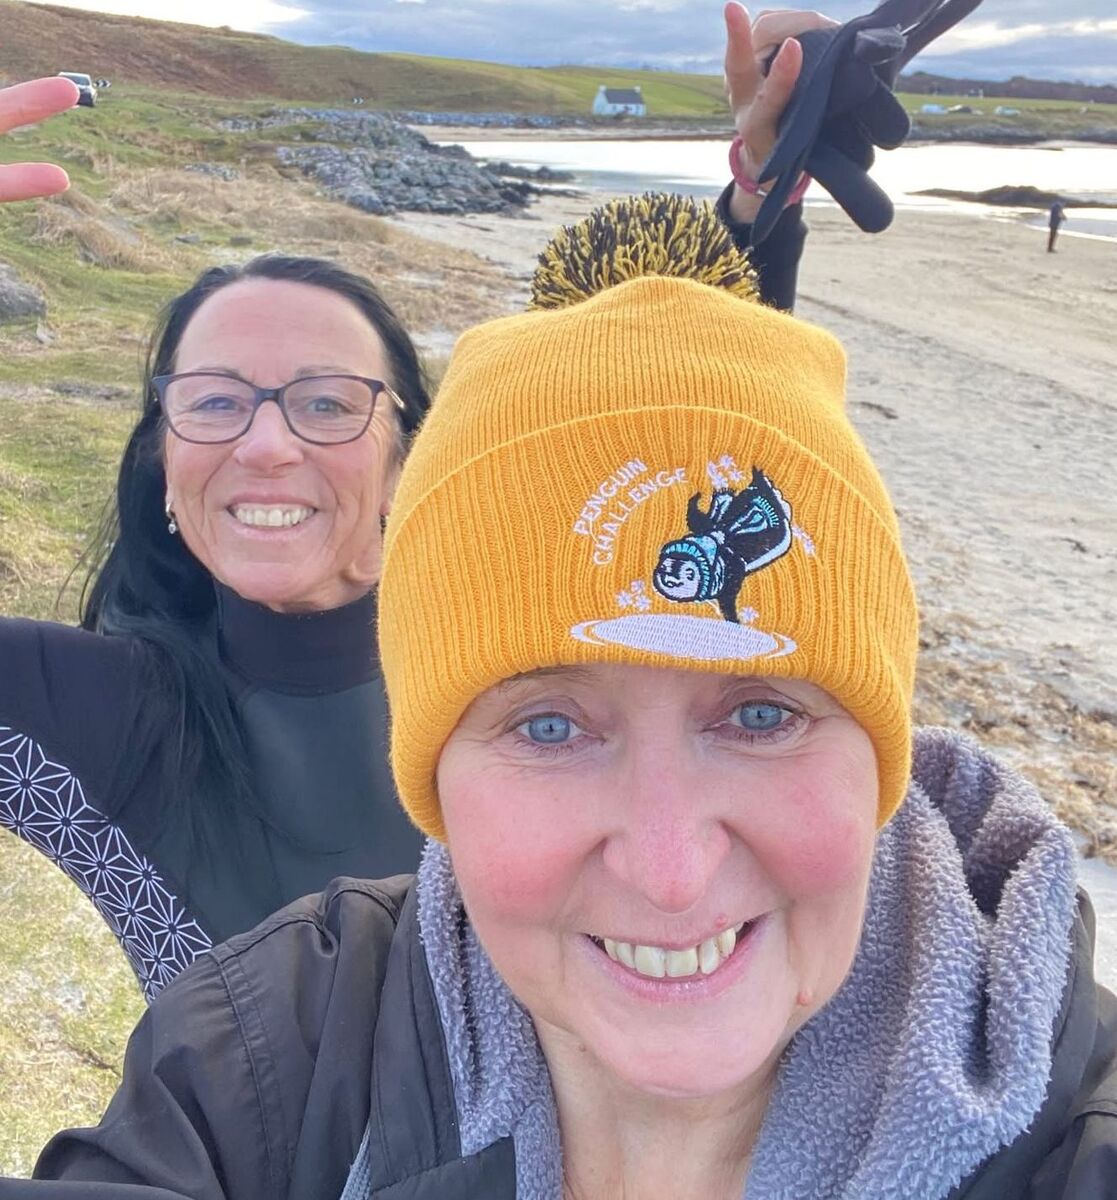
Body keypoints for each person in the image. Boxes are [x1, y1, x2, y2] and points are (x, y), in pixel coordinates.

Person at [10, 192, 1115, 1198]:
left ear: (406, 456)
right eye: (546, 725)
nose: (670, 870)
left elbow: (694, 477)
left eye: (762, 714)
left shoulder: (1068, 1121)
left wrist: (754, 224)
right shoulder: (264, 1045)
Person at [0, 7, 824, 1000]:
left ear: (405, 456)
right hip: (231, 1162)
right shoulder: (107, 716)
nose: (267, 446)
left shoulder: (529, 635)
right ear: (164, 462)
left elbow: (702, 448)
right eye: (213, 402)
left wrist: (762, 192)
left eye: (327, 403)